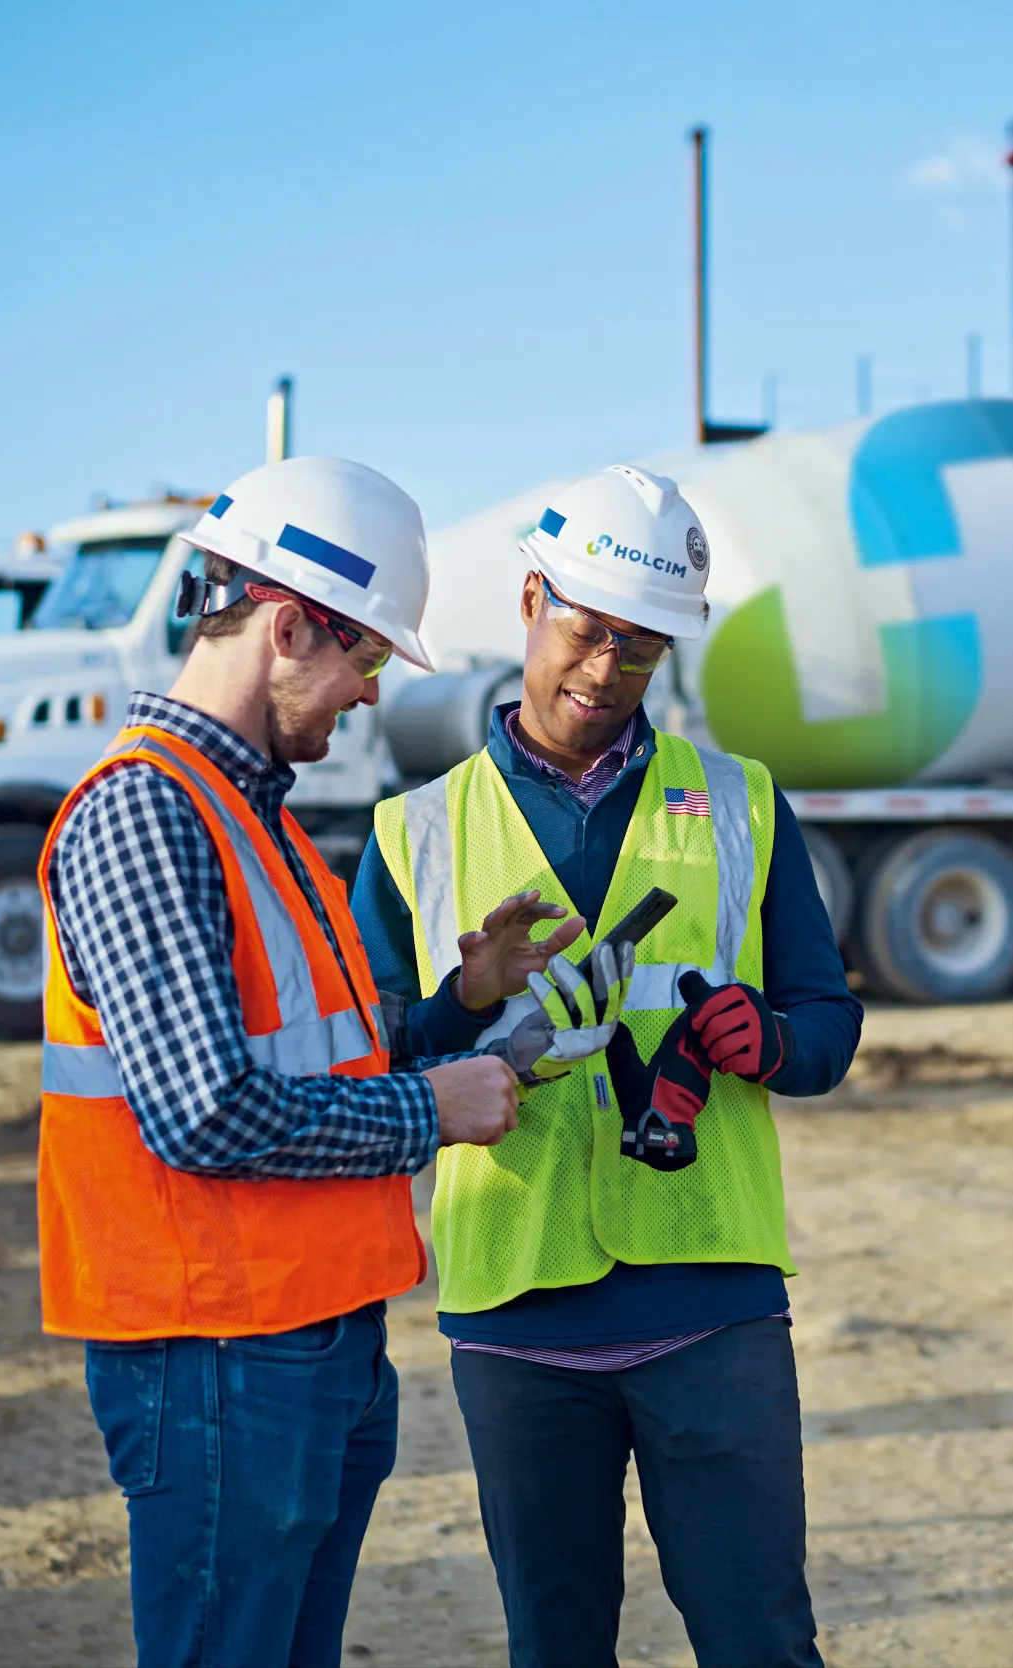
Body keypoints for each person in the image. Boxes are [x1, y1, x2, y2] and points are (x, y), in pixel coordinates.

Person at [35, 455, 624, 1668]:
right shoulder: (149, 812)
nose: (365, 695)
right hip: (217, 1356)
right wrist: (431, 1114)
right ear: (289, 624)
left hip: (304, 1341)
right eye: (362, 658)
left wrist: (465, 1002)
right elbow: (203, 1114)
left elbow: (329, 1060)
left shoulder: (251, 812)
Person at [353, 464, 863, 1668]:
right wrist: (460, 1001)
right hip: (515, 1304)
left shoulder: (741, 805)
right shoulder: (411, 832)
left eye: (638, 652)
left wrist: (776, 1041)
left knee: (761, 1641)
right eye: (584, 634)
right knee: (557, 1643)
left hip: (710, 1298)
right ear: (531, 600)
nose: (602, 673)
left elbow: (827, 1026)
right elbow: (366, 1058)